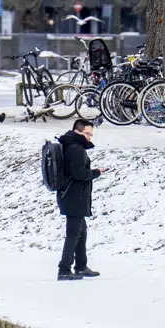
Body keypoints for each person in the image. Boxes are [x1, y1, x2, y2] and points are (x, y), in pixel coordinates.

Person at [57, 118, 104, 280]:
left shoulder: (69, 144)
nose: (89, 137)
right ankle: (64, 269)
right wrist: (96, 173)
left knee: (81, 232)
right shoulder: (76, 149)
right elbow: (78, 173)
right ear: (77, 131)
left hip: (72, 195)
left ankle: (81, 266)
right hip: (74, 196)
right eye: (87, 134)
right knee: (73, 233)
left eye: (91, 134)